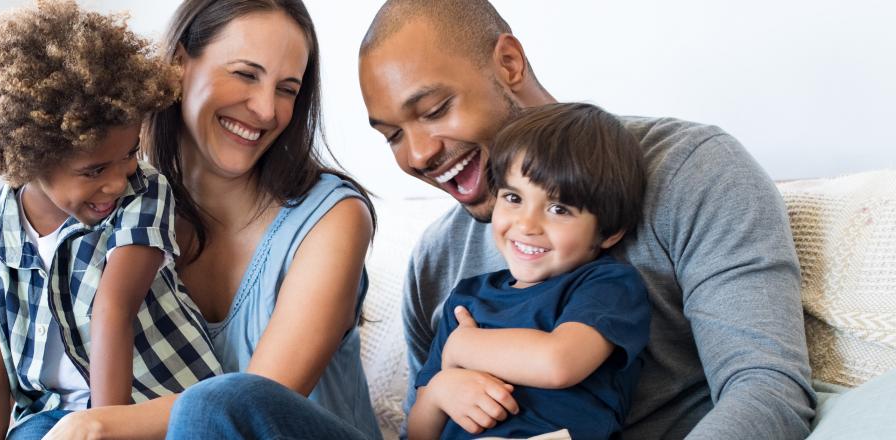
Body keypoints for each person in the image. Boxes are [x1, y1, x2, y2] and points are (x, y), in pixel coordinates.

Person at [358, 0, 815, 438]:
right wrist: (440, 389)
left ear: (509, 63)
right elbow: (421, 423)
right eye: (393, 136)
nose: (418, 155)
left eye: (435, 110)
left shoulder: (693, 171)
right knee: (282, 407)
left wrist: (466, 349)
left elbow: (766, 391)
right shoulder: (436, 260)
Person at [42, 0, 381, 439]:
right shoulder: (122, 204)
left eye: (287, 89)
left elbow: (252, 404)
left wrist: (99, 422)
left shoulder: (334, 218)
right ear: (180, 64)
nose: (264, 109)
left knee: (215, 403)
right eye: (245, 74)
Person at [0, 1, 221, 438]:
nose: (116, 182)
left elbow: (114, 310)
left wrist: (104, 426)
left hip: (155, 405)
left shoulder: (144, 192)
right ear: (29, 162)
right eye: (94, 171)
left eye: (129, 153)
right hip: (50, 421)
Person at [409, 102, 651, 440]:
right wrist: (439, 391)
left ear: (609, 232)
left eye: (558, 208)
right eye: (513, 198)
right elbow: (418, 433)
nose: (526, 224)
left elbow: (558, 363)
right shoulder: (466, 301)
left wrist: (462, 349)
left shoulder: (606, 286)